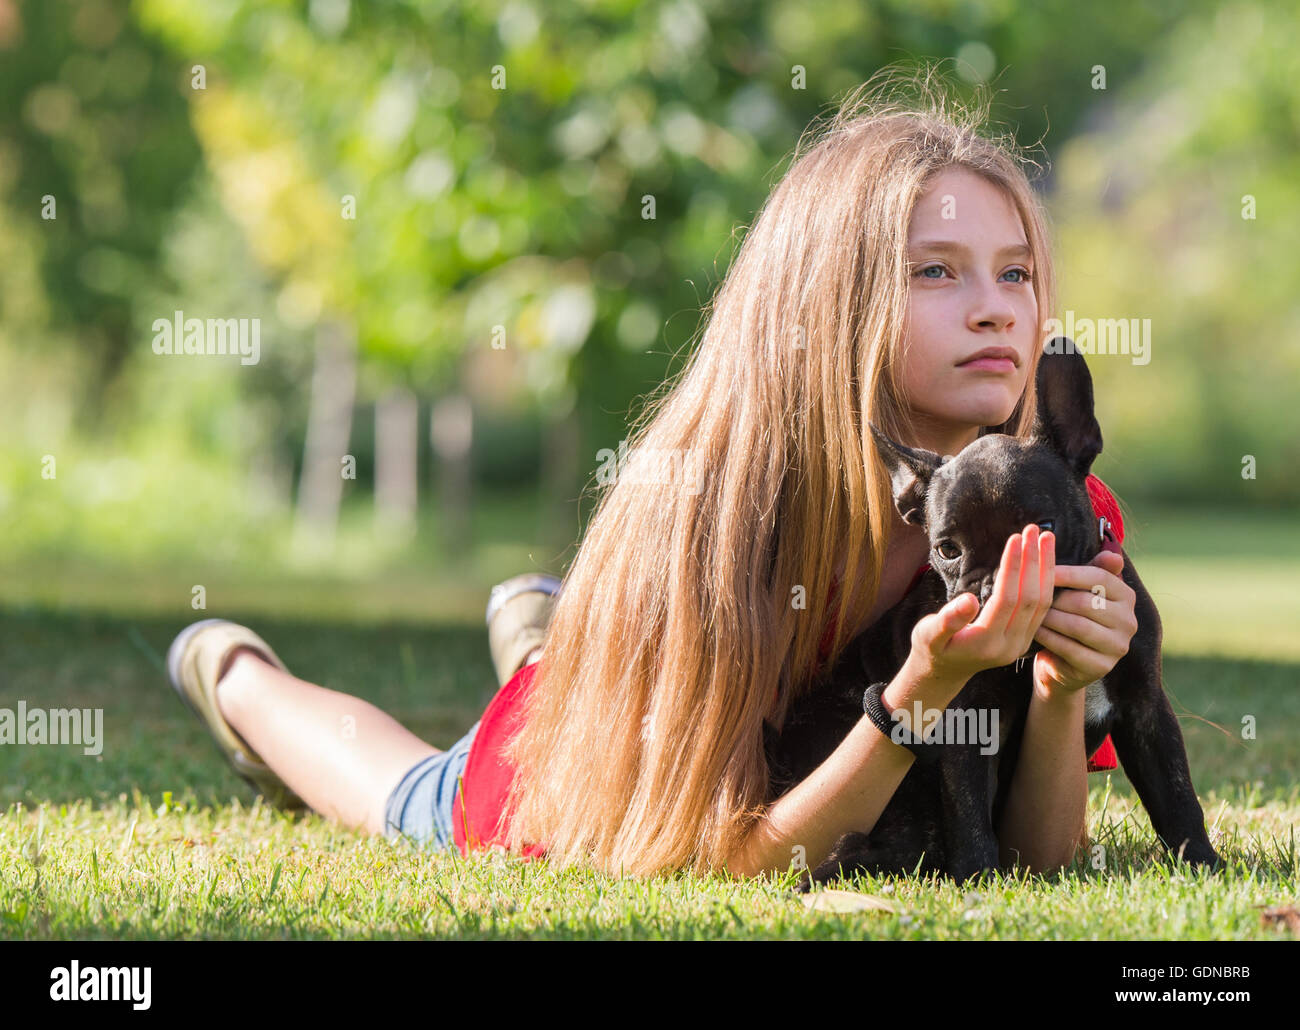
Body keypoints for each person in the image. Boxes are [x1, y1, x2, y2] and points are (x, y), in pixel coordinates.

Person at [165, 67, 1139, 883]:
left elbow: (1038, 864)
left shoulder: (1050, 507)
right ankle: (241, 677)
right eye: (935, 272)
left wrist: (1059, 688)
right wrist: (919, 695)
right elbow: (710, 864)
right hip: (581, 774)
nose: (993, 310)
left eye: (1014, 273)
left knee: (592, 677)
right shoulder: (723, 516)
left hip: (679, 692)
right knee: (415, 793)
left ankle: (558, 639)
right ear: (827, 299)